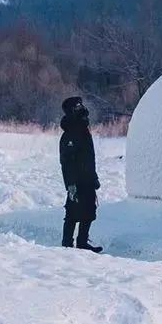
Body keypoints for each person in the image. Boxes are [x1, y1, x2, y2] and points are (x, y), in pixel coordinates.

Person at [59, 96, 102, 252]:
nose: (82, 108)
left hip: (87, 178)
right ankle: (67, 244)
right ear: (71, 110)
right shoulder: (70, 133)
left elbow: (89, 158)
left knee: (89, 211)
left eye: (81, 105)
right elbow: (66, 162)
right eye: (77, 106)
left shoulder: (84, 130)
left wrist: (94, 177)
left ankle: (82, 242)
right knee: (72, 212)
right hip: (76, 180)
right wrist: (70, 184)